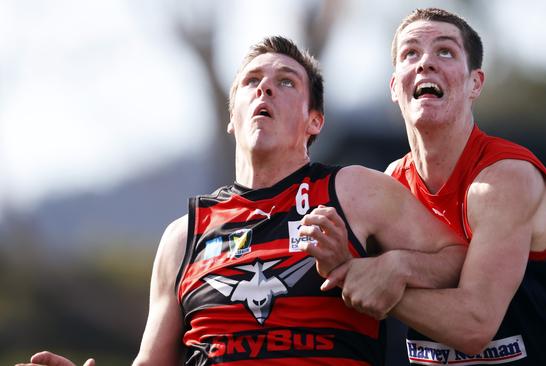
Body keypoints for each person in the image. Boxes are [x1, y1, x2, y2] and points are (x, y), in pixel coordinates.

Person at [16, 36, 467, 366]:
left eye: (286, 82)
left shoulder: (353, 191)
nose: (265, 89)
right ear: (232, 117)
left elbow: (458, 257)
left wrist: (392, 268)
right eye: (253, 81)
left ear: (315, 121)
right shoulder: (183, 237)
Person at [315, 7, 546, 365]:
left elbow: (475, 325)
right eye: (410, 53)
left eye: (445, 51)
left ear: (475, 83)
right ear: (393, 87)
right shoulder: (391, 184)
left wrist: (374, 282)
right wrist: (375, 268)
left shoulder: (504, 178)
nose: (425, 62)